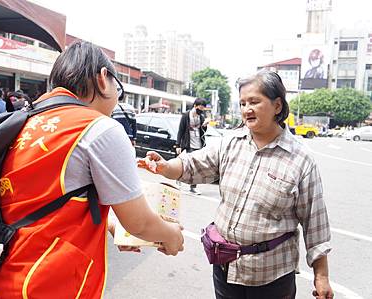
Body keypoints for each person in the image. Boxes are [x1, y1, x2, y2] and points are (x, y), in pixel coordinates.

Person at [0, 41, 184, 299]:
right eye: (119, 89)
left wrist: (113, 227)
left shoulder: (26, 119)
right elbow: (139, 222)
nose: (117, 99)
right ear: (103, 78)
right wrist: (171, 235)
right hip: (41, 283)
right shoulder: (100, 128)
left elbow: (46, 198)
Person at [139, 70, 334, 299]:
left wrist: (321, 277)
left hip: (271, 279)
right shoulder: (230, 143)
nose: (246, 109)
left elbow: (315, 222)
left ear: (277, 106)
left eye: (254, 102)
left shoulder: (301, 159)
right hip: (225, 269)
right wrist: (165, 166)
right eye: (242, 103)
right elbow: (193, 164)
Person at [176, 98, 208, 194]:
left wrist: (205, 126)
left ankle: (193, 187)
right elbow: (180, 130)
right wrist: (178, 145)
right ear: (195, 106)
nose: (201, 110)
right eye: (200, 108)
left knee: (196, 167)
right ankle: (178, 181)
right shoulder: (186, 116)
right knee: (185, 165)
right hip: (188, 144)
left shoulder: (201, 117)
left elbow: (202, 132)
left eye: (203, 109)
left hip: (198, 145)